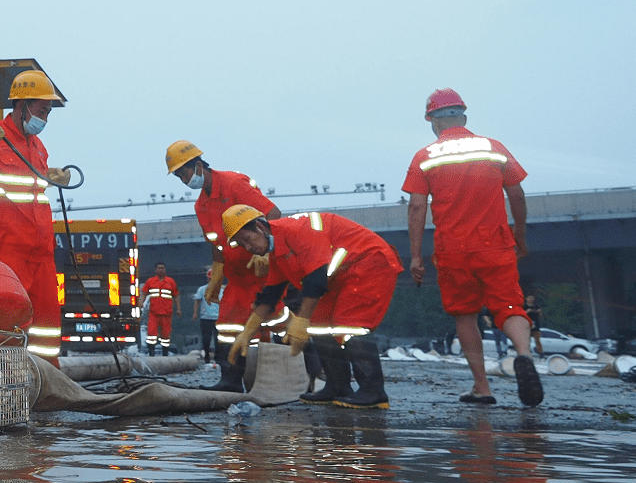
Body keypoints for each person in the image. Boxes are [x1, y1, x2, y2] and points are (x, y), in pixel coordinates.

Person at [404, 88, 542, 406]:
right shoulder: (493, 148)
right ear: (463, 116)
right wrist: (519, 236)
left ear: (432, 122)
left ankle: (483, 387)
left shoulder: (425, 157)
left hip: (452, 249)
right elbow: (517, 195)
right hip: (496, 244)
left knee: (465, 315)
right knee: (510, 307)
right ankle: (523, 354)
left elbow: (415, 207)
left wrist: (415, 257)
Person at [222, 205, 401, 409]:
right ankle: (337, 387)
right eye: (242, 245)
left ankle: (373, 391)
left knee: (350, 327)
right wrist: (247, 332)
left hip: (368, 263)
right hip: (338, 277)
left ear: (259, 227)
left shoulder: (297, 232)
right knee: (319, 327)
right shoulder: (279, 252)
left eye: (247, 239)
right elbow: (270, 296)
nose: (248, 248)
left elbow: (315, 280)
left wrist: (300, 320)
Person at [0, 70, 69, 359]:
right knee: (9, 319)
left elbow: (31, 187)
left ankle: (47, 381)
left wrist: (51, 176)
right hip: (8, 249)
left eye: (48, 112)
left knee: (46, 324)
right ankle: (7, 377)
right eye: (42, 110)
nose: (45, 118)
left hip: (42, 250)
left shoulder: (37, 146)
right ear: (22, 105)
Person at [165, 140, 283, 392]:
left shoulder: (233, 184)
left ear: (198, 165)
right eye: (177, 176)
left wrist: (268, 248)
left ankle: (298, 379)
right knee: (228, 327)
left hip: (263, 271)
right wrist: (216, 275)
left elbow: (273, 214)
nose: (183, 180)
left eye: (183, 172)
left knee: (277, 322)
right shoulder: (201, 206)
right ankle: (230, 382)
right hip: (238, 276)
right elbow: (216, 243)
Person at [142, 263, 178, 356]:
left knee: (165, 335)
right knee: (151, 333)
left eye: (162, 268)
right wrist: (140, 304)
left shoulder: (171, 282)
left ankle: (165, 355)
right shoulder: (150, 281)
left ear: (165, 270)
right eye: (159, 268)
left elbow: (176, 295)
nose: (161, 270)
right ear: (156, 270)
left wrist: (179, 309)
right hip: (154, 313)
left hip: (166, 313)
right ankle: (151, 354)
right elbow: (144, 293)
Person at [192, 275, 220, 363]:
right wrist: (195, 313)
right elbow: (197, 301)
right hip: (205, 317)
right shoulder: (202, 289)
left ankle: (218, 356)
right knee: (206, 339)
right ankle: (207, 356)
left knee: (218, 339)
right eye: (210, 278)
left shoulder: (221, 290)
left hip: (218, 318)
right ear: (208, 279)